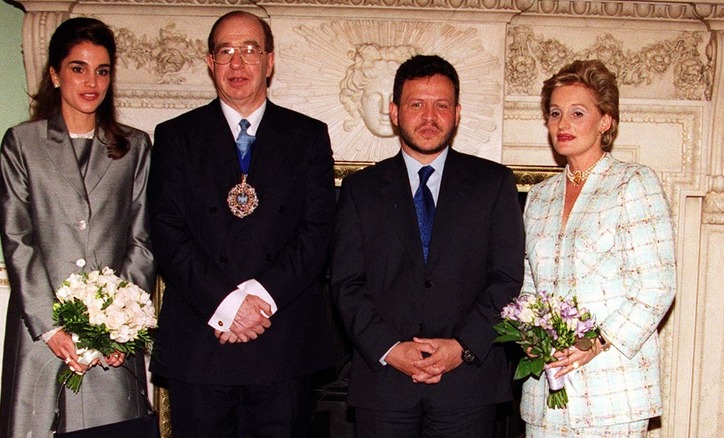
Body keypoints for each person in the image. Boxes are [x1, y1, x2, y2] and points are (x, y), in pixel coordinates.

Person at [147, 11, 335, 437]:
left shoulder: (307, 136)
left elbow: (317, 233)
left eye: (250, 50)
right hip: (201, 343)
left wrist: (258, 301)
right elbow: (168, 232)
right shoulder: (176, 136)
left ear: (270, 61)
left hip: (282, 342)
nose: (237, 63)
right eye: (225, 51)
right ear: (209, 62)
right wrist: (228, 305)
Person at [331, 54, 525, 437]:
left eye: (441, 105)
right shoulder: (359, 190)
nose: (429, 117)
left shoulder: (494, 184)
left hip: (468, 384)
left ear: (457, 113)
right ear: (394, 112)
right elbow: (346, 283)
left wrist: (461, 347)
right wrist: (390, 349)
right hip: (383, 386)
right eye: (417, 104)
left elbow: (506, 278)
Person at [0, 17, 155, 436]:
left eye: (102, 71)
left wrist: (120, 329)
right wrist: (50, 327)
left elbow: (141, 242)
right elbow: (18, 241)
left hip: (111, 346)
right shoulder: (22, 144)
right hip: (41, 335)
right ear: (54, 74)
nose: (91, 82)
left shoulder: (134, 148)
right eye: (78, 68)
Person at [520, 59, 676, 436]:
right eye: (555, 113)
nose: (563, 124)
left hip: (612, 389)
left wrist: (597, 341)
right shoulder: (539, 197)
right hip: (545, 392)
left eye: (577, 113)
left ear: (605, 121)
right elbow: (528, 283)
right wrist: (529, 336)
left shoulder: (633, 183)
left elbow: (657, 285)